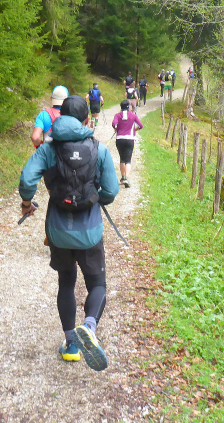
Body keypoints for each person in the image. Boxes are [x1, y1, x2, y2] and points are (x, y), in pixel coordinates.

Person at [19, 96, 120, 372]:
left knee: (66, 282)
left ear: (59, 117)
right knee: (97, 284)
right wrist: (94, 198)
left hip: (58, 230)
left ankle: (71, 345)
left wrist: (27, 204)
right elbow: (111, 191)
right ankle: (89, 326)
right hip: (90, 232)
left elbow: (27, 180)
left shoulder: (48, 149)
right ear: (87, 120)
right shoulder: (98, 149)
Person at [112, 100, 143, 188]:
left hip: (120, 139)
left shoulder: (117, 115)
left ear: (121, 107)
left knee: (122, 158)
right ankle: (126, 178)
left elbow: (114, 124)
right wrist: (134, 130)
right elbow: (140, 126)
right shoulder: (133, 115)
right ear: (128, 107)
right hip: (130, 139)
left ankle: (123, 177)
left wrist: (117, 129)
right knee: (128, 159)